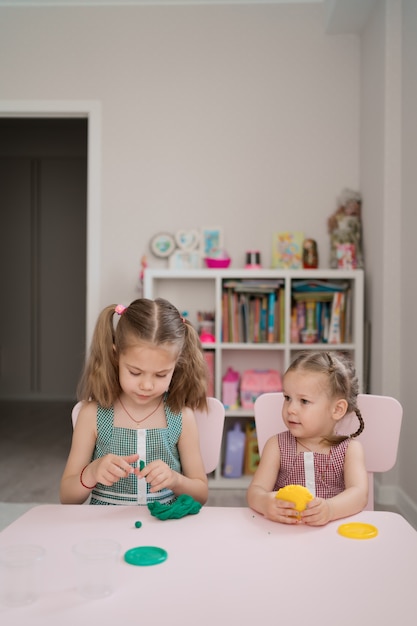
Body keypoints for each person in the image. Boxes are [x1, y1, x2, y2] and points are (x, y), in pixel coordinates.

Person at [60, 297, 209, 506]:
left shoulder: (181, 417)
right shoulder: (92, 415)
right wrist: (92, 472)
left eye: (160, 375)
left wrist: (176, 480)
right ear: (116, 356)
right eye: (135, 372)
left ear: (177, 365)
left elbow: (201, 494)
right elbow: (67, 497)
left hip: (163, 527)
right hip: (105, 530)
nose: (146, 385)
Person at [247, 351, 368, 526]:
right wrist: (266, 503)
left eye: (304, 401)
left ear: (337, 409)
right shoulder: (276, 446)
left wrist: (330, 509)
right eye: (287, 398)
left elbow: (359, 494)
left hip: (332, 535)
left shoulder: (349, 450)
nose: (291, 409)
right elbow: (255, 491)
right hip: (283, 535)